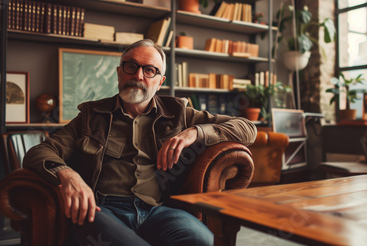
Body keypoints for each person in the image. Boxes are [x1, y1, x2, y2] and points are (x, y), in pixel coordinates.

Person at [23, 39, 257, 246]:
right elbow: (40, 151)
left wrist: (194, 132)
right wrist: (68, 175)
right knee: (94, 226)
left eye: (150, 70)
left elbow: (248, 128)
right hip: (103, 209)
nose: (138, 76)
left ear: (160, 81)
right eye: (131, 66)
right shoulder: (91, 115)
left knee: (202, 240)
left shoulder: (179, 112)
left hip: (159, 211)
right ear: (119, 72)